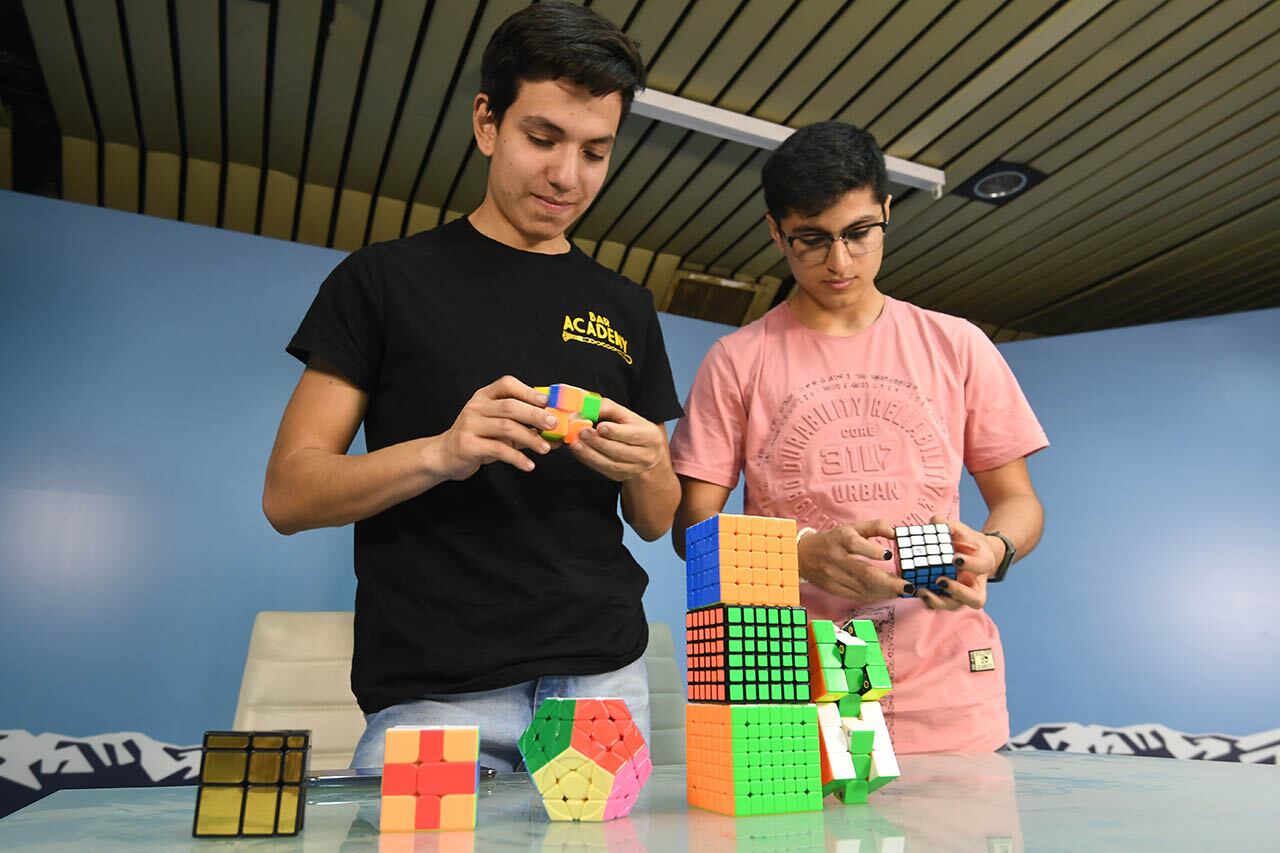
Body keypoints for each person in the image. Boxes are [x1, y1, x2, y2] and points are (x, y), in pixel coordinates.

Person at [262, 2, 683, 770]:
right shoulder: (381, 281)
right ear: (487, 122)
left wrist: (651, 459)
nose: (566, 175)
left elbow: (657, 521)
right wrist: (442, 451)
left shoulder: (629, 307)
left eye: (595, 151)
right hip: (436, 690)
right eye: (542, 137)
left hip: (603, 676)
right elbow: (289, 493)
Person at [669, 121, 1048, 753]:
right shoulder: (738, 360)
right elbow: (691, 530)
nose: (839, 261)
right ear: (775, 231)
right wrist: (798, 554)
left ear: (887, 211)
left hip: (948, 692)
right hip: (793, 690)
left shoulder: (955, 345)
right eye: (810, 240)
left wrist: (994, 548)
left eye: (858, 233)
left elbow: (1021, 502)